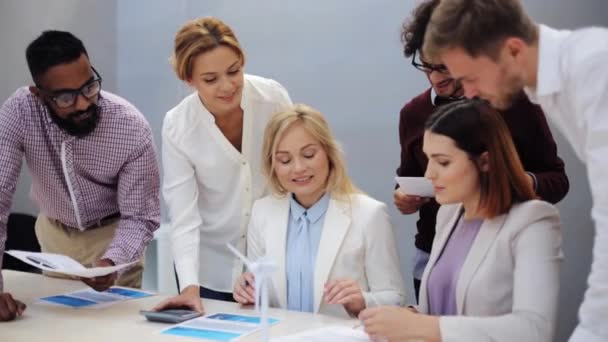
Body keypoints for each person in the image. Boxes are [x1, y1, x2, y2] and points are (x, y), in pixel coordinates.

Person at [423, 1, 608, 340]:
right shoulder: (553, 89)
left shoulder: (595, 71)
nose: (471, 94)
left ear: (512, 49)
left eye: (470, 78)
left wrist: (592, 331)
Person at [395, 0, 568, 301]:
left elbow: (557, 178)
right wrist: (404, 197)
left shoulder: (514, 100)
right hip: (435, 249)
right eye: (426, 66)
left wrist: (519, 182)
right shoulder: (413, 113)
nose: (436, 78)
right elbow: (410, 177)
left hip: (498, 250)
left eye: (445, 68)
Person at [361, 99, 562, 341]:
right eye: (428, 160)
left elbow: (534, 330)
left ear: (485, 161)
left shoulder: (534, 222)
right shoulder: (449, 214)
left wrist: (423, 327)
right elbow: (444, 310)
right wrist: (404, 318)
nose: (428, 174)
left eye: (443, 162)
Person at [0, 30, 161, 321]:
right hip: (54, 238)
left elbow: (140, 216)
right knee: (56, 328)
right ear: (39, 95)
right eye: (65, 98)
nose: (84, 103)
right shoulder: (20, 112)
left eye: (89, 87)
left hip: (113, 236)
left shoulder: (129, 126)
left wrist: (113, 261)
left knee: (112, 331)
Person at [153, 17, 292, 314]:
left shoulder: (273, 99)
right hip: (208, 269)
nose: (228, 86)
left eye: (234, 71)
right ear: (188, 79)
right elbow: (184, 214)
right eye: (210, 79)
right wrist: (189, 287)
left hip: (271, 259)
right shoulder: (178, 126)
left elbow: (296, 178)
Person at [233, 104, 406, 318]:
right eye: (285, 160)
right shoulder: (262, 212)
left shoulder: (370, 214)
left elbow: (395, 299)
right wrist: (248, 290)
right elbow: (261, 292)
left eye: (308, 154)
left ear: (329, 154)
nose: (298, 168)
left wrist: (363, 301)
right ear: (273, 165)